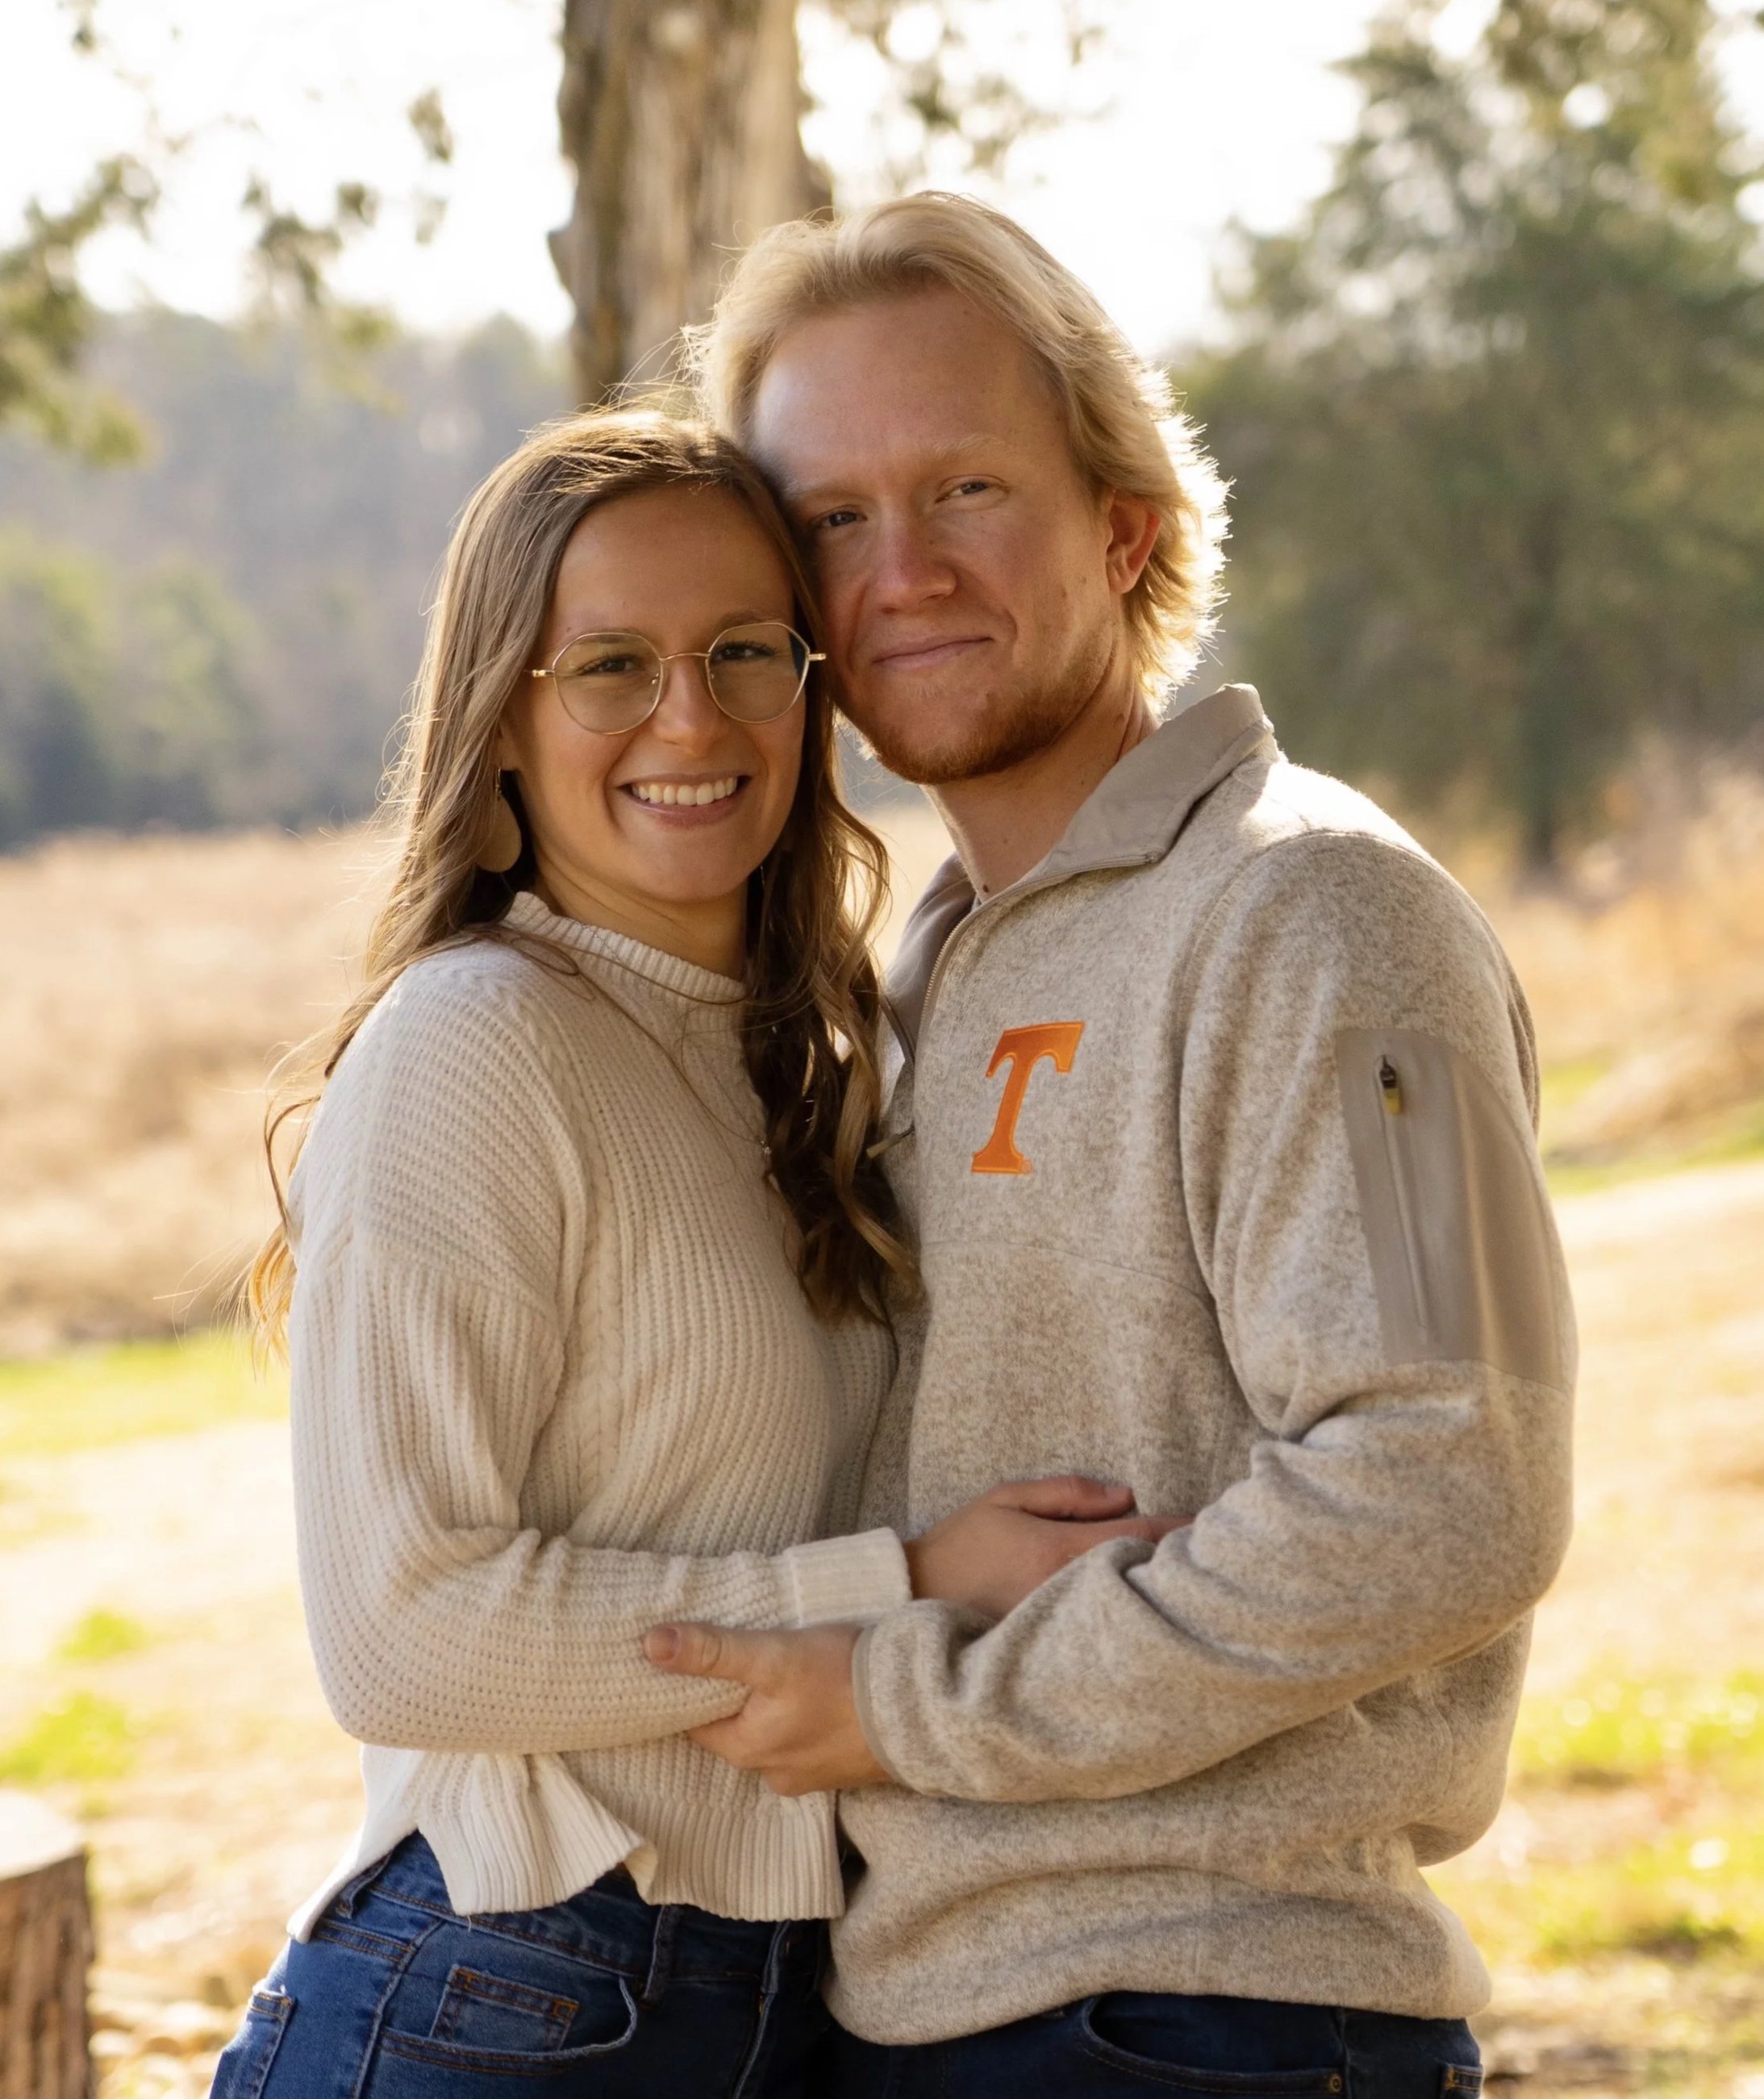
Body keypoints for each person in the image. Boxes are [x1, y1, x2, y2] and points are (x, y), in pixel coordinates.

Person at [644, 194, 1578, 2097]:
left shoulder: (1321, 915)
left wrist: (906, 1697)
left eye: (965, 488)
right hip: (940, 2006)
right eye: (831, 517)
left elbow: (1448, 1477)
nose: (897, 570)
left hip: (1194, 2013)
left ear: (1123, 525)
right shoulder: (930, 961)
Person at [210, 411, 1176, 2099]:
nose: (692, 716)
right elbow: (400, 1628)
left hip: (767, 1999)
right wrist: (899, 1581)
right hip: (500, 1995)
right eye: (610, 665)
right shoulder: (475, 1043)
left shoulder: (803, 1053)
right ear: (501, 720)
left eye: (745, 650)